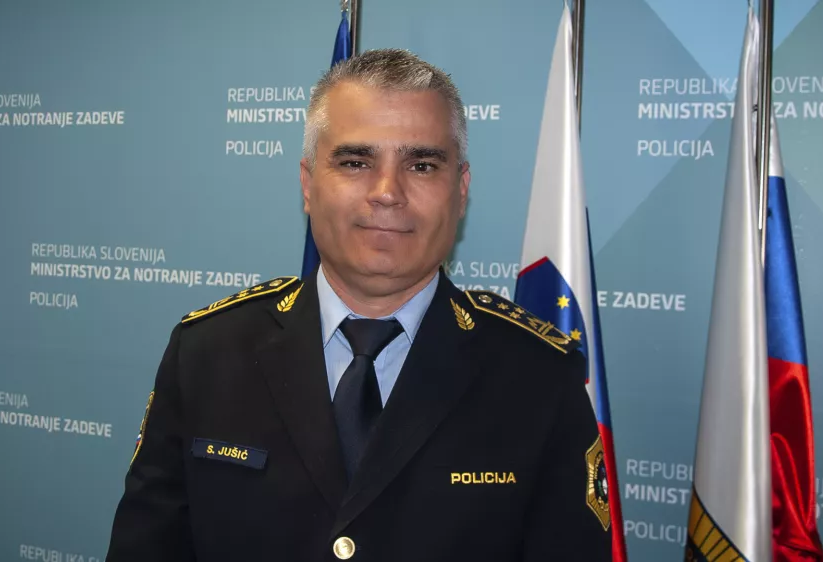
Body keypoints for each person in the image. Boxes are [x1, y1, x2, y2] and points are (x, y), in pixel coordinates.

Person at [105, 48, 611, 562]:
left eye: (421, 164)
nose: (387, 192)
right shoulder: (206, 355)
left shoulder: (539, 376)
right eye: (354, 162)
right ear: (307, 185)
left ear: (460, 191)